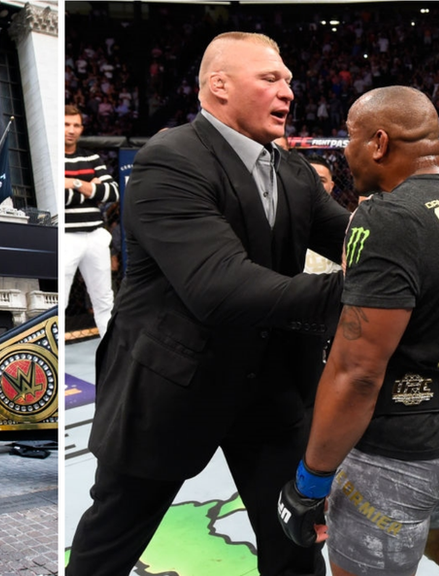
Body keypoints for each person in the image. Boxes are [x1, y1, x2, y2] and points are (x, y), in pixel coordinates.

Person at [67, 31, 349, 576]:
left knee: (295, 547)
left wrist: (416, 236)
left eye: (289, 80)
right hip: (170, 384)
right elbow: (221, 286)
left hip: (270, 390)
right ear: (218, 85)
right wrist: (367, 296)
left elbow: (352, 240)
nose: (288, 91)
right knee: (109, 542)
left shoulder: (292, 170)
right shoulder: (168, 160)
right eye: (271, 78)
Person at [277, 85, 439, 576]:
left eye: (350, 137)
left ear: (380, 143)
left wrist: (311, 480)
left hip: (396, 452)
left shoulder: (385, 218)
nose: (345, 151)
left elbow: (357, 372)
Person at [64, 105, 119, 338]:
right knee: (61, 299)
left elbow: (112, 193)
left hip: (95, 235)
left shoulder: (92, 156)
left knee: (105, 300)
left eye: (76, 125)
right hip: (66, 237)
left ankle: (110, 354)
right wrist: (91, 187)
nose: (71, 130)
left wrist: (74, 184)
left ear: (81, 128)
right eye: (66, 124)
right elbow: (61, 198)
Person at [304, 156, 343, 275]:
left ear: (332, 186)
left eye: (321, 180)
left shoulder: (349, 224)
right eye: (308, 178)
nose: (314, 185)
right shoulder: (278, 220)